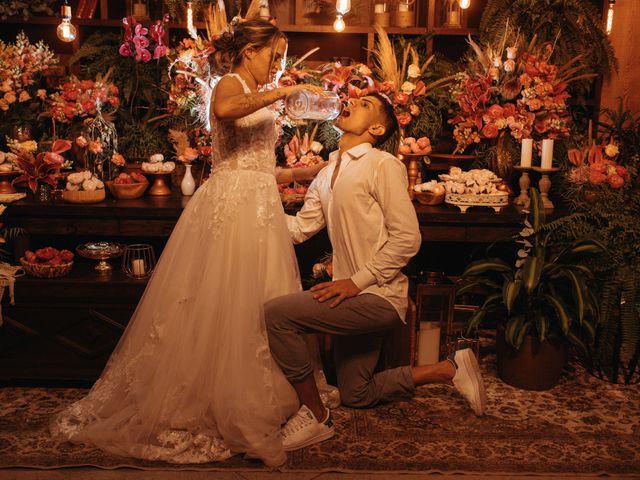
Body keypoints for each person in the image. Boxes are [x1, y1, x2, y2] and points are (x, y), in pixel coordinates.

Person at [51, 19, 328, 467]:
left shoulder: (252, 87)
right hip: (232, 207)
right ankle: (214, 398)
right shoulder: (228, 83)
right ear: (249, 51)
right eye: (272, 56)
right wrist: (282, 93)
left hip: (258, 203)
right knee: (223, 298)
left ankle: (263, 389)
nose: (275, 65)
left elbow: (256, 163)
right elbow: (225, 112)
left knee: (262, 299)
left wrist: (302, 173)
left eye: (279, 59)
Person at [264, 93, 487, 451]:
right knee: (356, 392)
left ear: (376, 128)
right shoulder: (327, 172)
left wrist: (356, 282)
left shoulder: (383, 164)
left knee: (277, 316)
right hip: (350, 295)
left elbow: (407, 238)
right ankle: (449, 369)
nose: (352, 101)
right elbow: (300, 229)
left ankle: (316, 416)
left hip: (378, 296)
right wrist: (252, 211)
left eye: (365, 103)